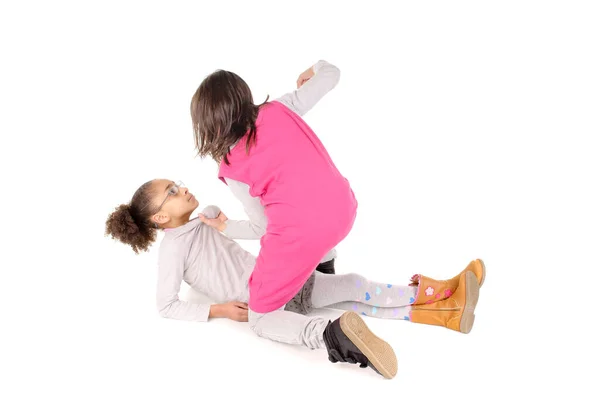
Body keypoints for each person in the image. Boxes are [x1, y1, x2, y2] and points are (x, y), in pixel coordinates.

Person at [105, 179, 485, 379]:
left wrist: (221, 222)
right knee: (330, 298)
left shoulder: (203, 222)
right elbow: (165, 305)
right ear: (159, 219)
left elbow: (251, 231)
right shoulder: (172, 250)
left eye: (177, 183)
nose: (181, 188)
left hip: (279, 281)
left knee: (333, 293)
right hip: (267, 294)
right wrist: (218, 310)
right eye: (171, 192)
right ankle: (431, 306)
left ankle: (433, 300)